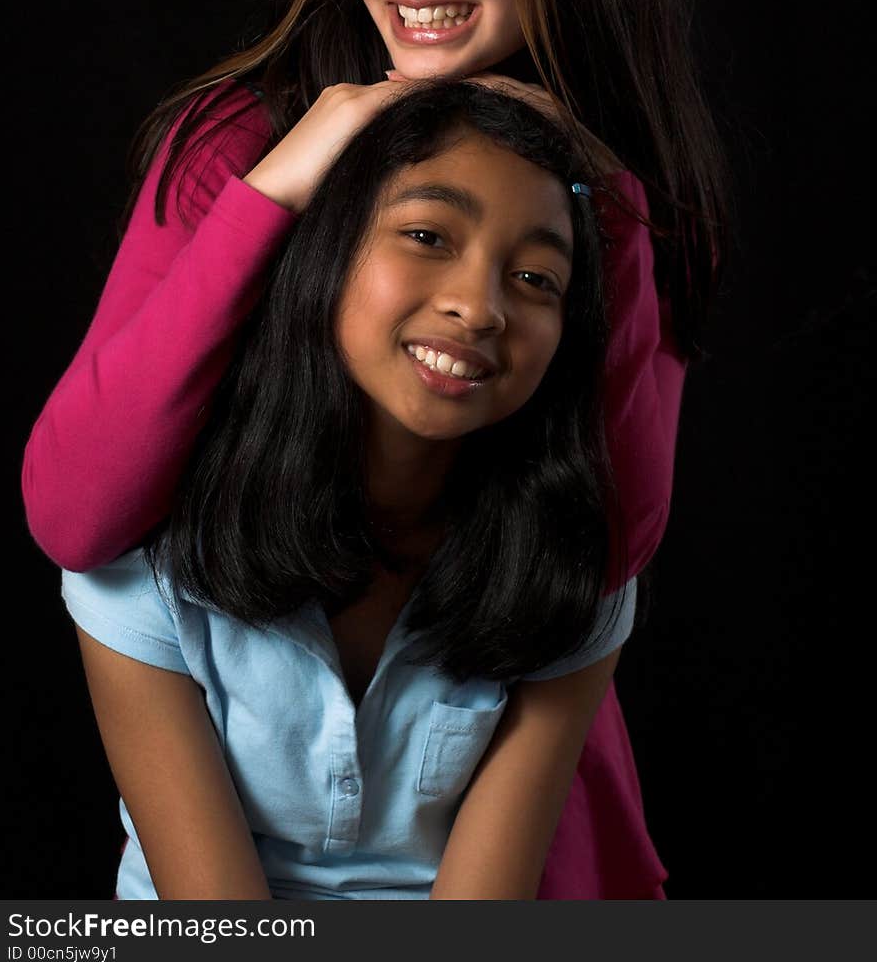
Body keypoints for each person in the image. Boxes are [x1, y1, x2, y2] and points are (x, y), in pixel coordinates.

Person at [24, 0, 727, 897]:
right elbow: (76, 515)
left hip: (492, 806)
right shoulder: (235, 148)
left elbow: (601, 555)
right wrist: (283, 183)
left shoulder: (616, 199)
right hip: (243, 791)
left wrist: (601, 211)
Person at [63, 81, 638, 901]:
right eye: (427, 235)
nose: (479, 308)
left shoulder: (573, 568)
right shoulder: (143, 559)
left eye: (536, 279)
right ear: (324, 253)